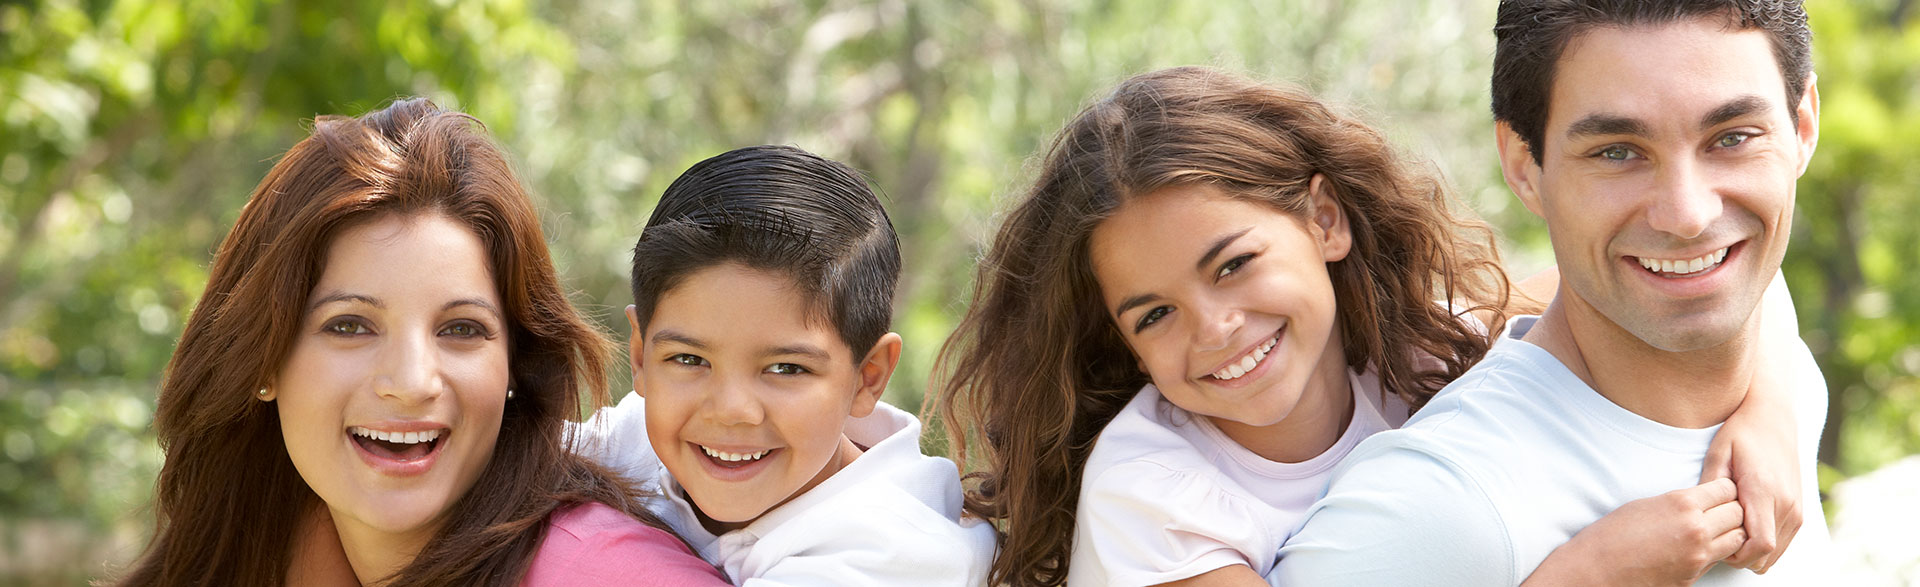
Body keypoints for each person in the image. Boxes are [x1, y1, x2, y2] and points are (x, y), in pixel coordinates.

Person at [930, 66, 1805, 587]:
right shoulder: (1153, 490)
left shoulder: (1417, 349)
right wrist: (1590, 571)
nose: (1216, 328)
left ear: (1324, 221)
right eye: (1154, 313)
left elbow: (1679, 287)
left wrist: (1767, 414)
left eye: (1233, 264)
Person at [1271, 1, 1830, 584]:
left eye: (1733, 137)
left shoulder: (1783, 378)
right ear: (1523, 166)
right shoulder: (1438, 502)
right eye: (1616, 152)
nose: (1687, 215)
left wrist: (1774, 402)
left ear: (1803, 127)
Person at [114, 99, 727, 586]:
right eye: (349, 326)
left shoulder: (604, 572)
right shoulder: (265, 543)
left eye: (462, 329)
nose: (410, 382)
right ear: (263, 360)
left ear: (515, 363)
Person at [572, 145, 997, 585]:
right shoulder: (637, 438)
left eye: (786, 369)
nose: (731, 409)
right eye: (689, 359)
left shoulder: (893, 556)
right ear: (641, 356)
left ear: (869, 377)